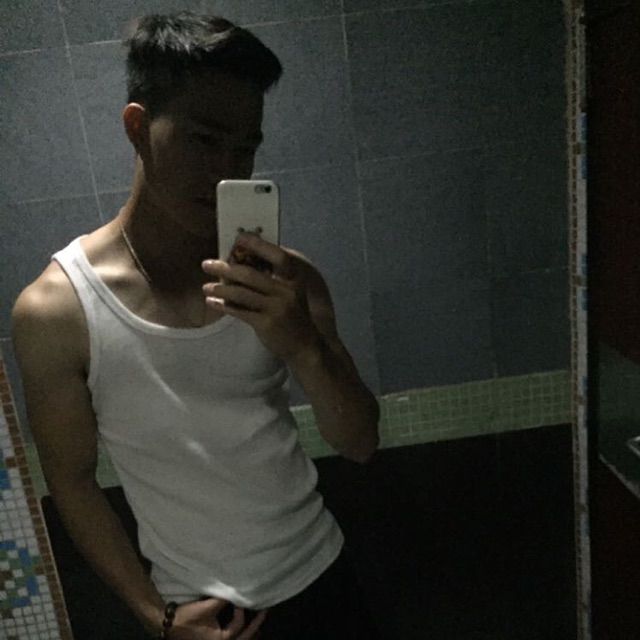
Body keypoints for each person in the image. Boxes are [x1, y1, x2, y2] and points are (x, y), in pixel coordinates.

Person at [10, 11, 380, 640]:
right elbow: (71, 483)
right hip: (205, 617)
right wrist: (156, 617)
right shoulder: (57, 311)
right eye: (203, 141)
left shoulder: (287, 284)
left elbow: (360, 443)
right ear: (137, 127)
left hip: (326, 577)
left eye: (245, 148)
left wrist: (304, 348)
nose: (226, 170)